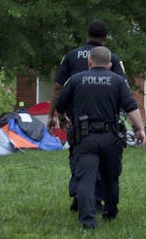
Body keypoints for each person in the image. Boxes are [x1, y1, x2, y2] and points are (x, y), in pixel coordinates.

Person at [54, 45, 145, 229]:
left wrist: (62, 119)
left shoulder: (76, 79)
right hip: (111, 136)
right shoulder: (118, 81)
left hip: (85, 137)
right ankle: (110, 212)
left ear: (89, 62)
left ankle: (87, 221)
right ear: (110, 65)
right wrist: (140, 129)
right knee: (110, 178)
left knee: (86, 179)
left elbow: (60, 104)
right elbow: (131, 107)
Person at [47, 20, 125, 209]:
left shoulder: (71, 56)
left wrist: (53, 115)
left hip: (76, 117)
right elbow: (122, 88)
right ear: (105, 38)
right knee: (101, 160)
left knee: (78, 155)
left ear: (87, 35)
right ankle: (93, 198)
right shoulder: (112, 58)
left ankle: (80, 193)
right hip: (105, 118)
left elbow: (58, 87)